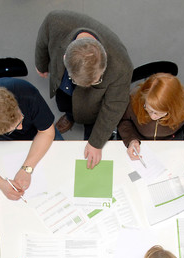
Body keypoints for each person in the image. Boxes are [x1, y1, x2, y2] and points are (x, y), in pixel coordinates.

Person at [35, 10, 133, 169]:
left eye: (97, 80)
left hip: (93, 103)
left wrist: (95, 143)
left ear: (105, 58)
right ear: (65, 58)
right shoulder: (55, 21)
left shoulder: (122, 67)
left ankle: (88, 126)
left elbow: (114, 106)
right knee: (65, 101)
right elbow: (42, 41)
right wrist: (41, 63)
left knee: (92, 118)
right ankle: (70, 115)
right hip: (64, 82)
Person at [117, 73, 184, 185]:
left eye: (158, 113)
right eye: (148, 109)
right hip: (140, 143)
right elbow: (122, 120)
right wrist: (131, 139)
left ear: (173, 108)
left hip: (170, 144)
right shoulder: (134, 98)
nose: (152, 117)